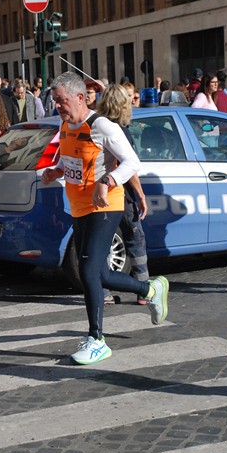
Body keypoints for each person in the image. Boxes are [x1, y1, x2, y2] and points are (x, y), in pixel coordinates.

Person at [41, 72, 169, 365]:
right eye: (55, 101)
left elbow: (132, 162)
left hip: (106, 205)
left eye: (62, 101)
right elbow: (71, 160)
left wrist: (108, 180)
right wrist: (56, 171)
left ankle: (97, 340)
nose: (58, 106)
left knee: (87, 271)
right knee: (97, 274)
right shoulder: (66, 125)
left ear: (80, 97)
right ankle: (150, 288)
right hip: (79, 207)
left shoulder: (102, 125)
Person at [98, 84, 150, 306]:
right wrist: (140, 195)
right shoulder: (120, 130)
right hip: (122, 195)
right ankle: (144, 291)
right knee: (135, 239)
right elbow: (129, 169)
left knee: (102, 245)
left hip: (100, 195)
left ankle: (103, 293)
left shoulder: (97, 126)